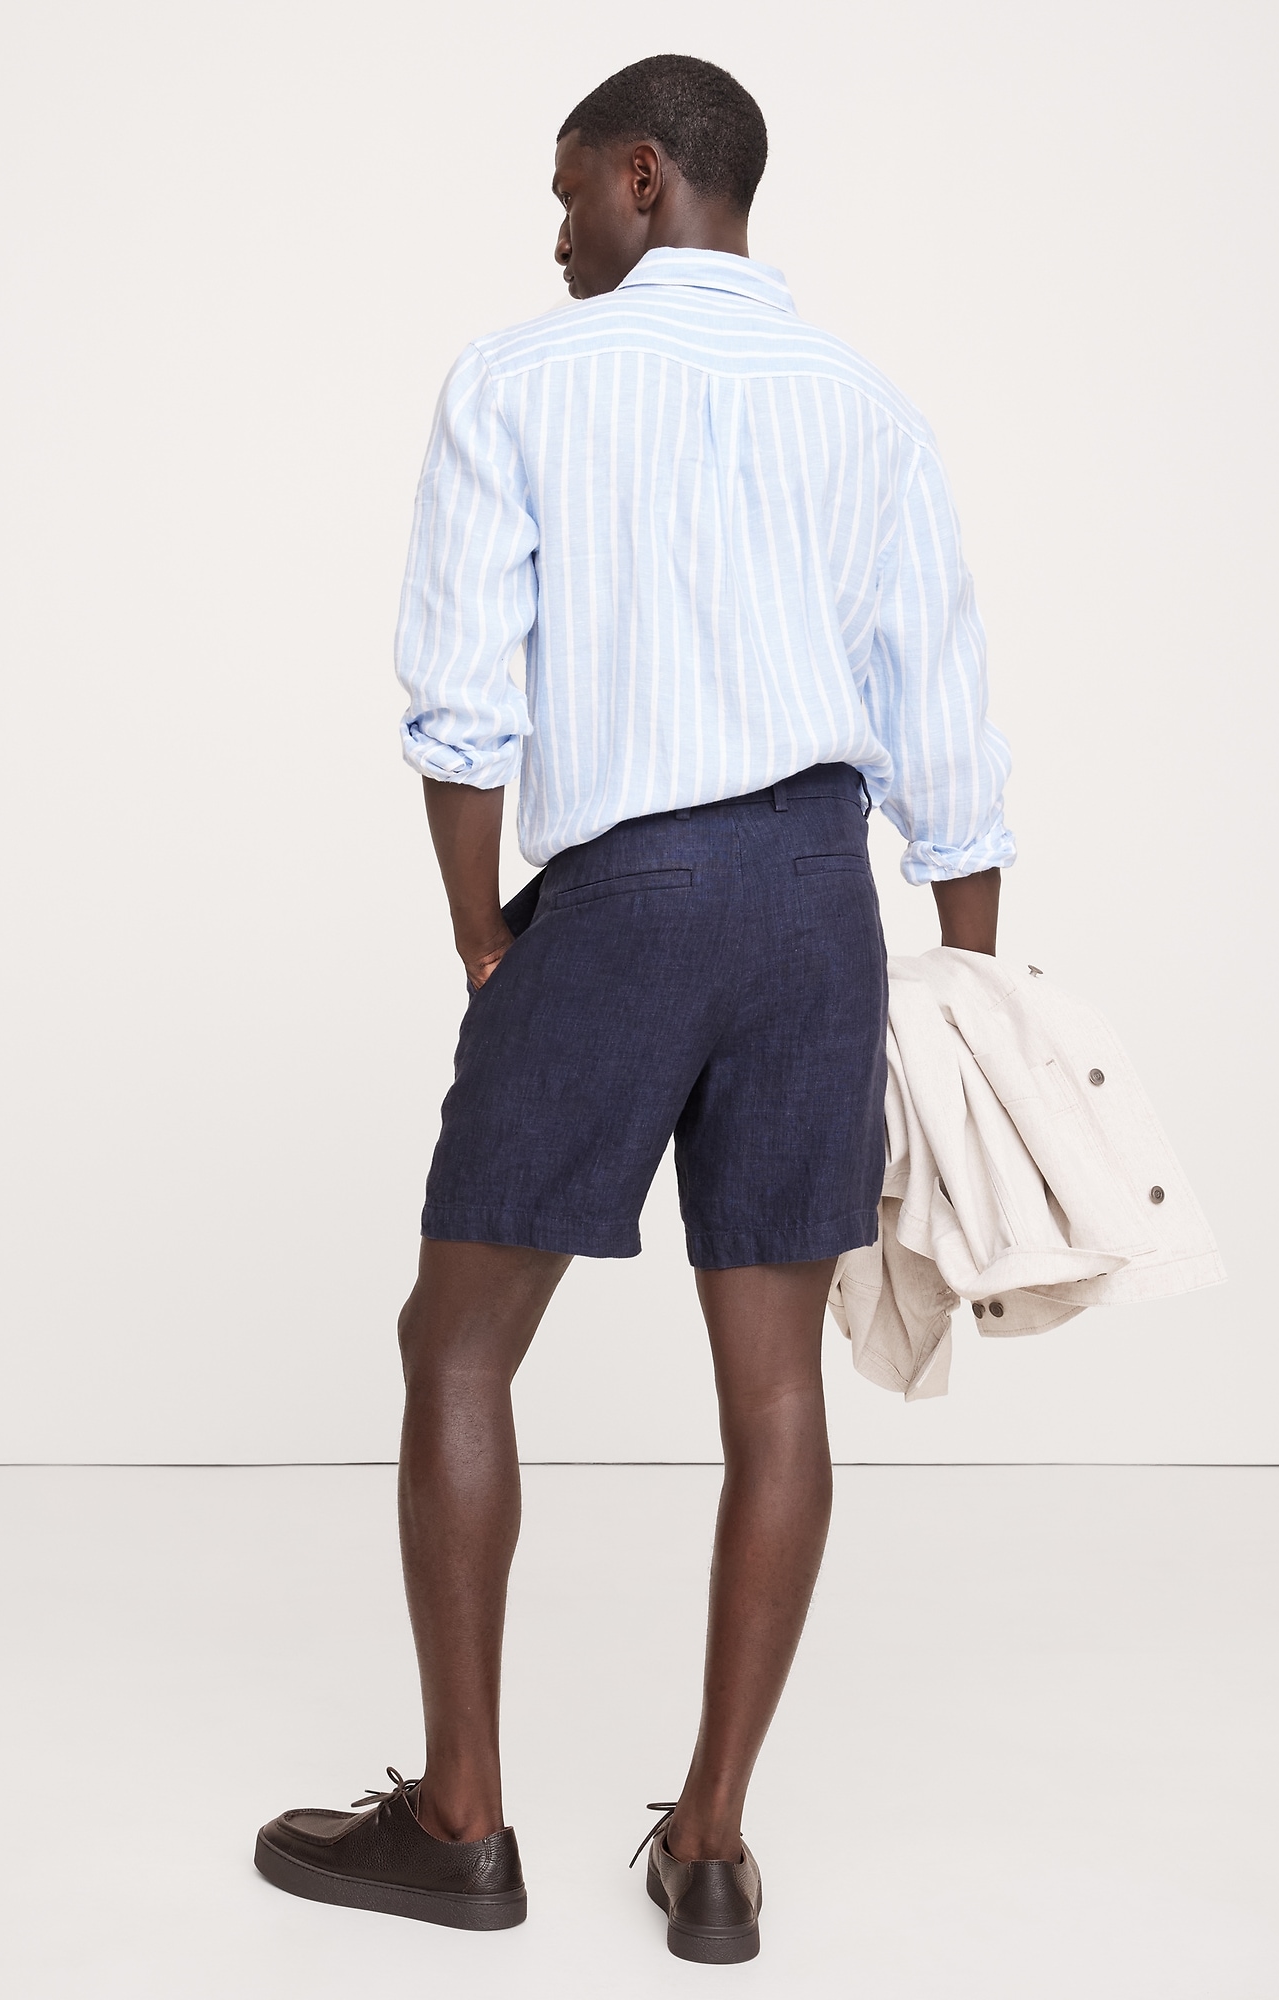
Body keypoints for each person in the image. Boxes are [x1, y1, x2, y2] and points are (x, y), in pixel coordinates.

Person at [255, 52, 1013, 1965]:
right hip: (818, 905)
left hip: (629, 894)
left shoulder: (522, 377)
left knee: (455, 1343)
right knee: (774, 1389)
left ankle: (461, 1827)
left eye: (572, 189)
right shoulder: (868, 407)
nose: (560, 228)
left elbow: (461, 698)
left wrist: (479, 937)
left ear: (649, 177)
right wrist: (962, 987)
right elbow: (950, 732)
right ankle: (713, 1847)